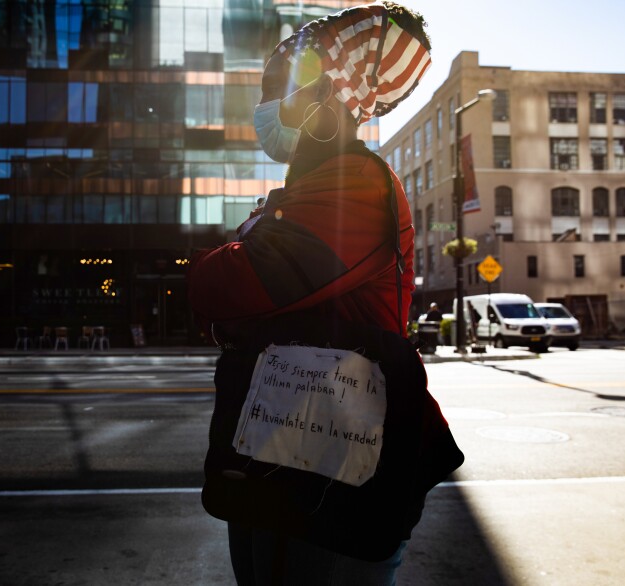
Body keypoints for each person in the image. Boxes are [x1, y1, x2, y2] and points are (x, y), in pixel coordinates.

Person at [188, 3, 462, 583]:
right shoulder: (315, 185)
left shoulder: (353, 184)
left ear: (324, 100)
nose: (266, 109)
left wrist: (213, 266)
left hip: (331, 471)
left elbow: (234, 284)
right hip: (292, 452)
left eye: (277, 92)